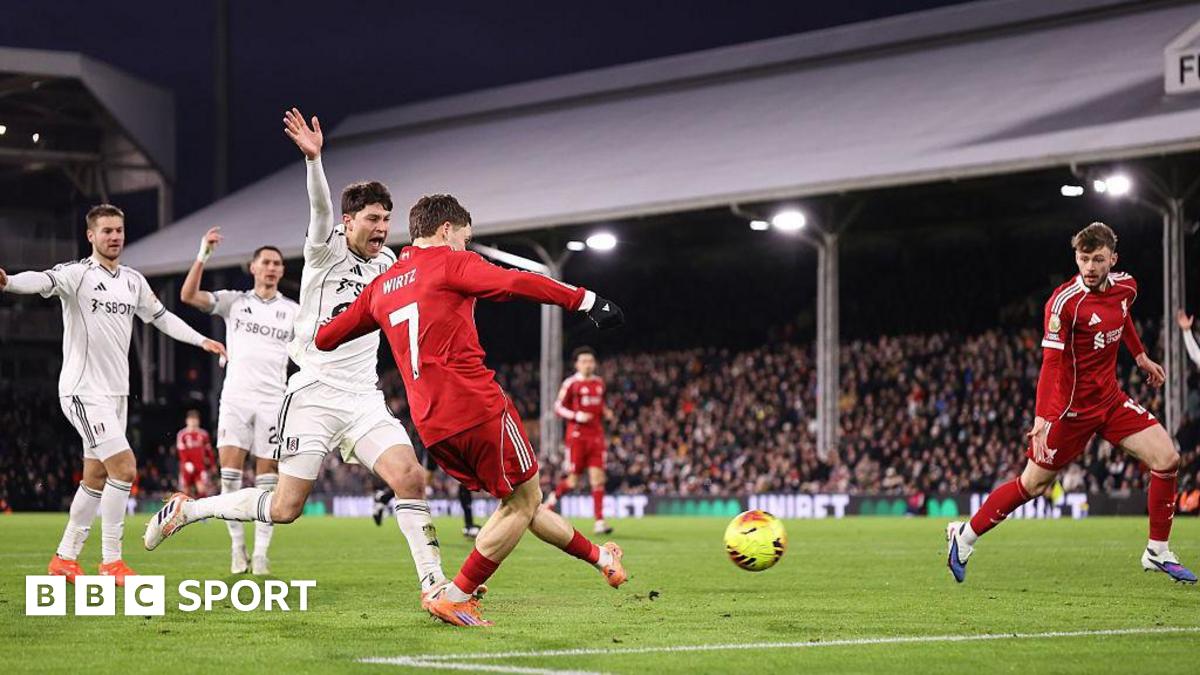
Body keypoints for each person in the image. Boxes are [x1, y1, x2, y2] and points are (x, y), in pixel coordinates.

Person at [145, 109, 447, 603]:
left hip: (363, 398)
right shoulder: (325, 250)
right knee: (286, 507)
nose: (381, 228)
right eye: (373, 218)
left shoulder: (390, 263)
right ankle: (190, 511)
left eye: (387, 220)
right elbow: (321, 209)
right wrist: (314, 162)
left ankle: (435, 585)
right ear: (350, 221)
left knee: (411, 476)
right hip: (312, 393)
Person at [314, 193, 628, 626]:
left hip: (431, 425)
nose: (466, 245)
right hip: (476, 406)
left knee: (523, 501)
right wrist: (586, 300)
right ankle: (455, 595)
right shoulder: (449, 262)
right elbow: (516, 283)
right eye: (465, 237)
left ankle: (601, 559)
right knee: (521, 502)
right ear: (446, 230)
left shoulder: (381, 286)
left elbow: (326, 337)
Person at [946, 222, 1194, 584]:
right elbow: (1049, 363)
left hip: (1110, 402)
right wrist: (1043, 418)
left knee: (1167, 458)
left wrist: (1139, 356)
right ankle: (964, 537)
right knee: (1032, 485)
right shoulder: (1063, 303)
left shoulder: (1127, 286)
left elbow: (1122, 317)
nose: (1090, 267)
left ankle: (1157, 550)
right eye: (1083, 259)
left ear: (1113, 259)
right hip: (1070, 411)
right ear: (1076, 259)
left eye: (1097, 259)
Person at [0, 203, 226, 586]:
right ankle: (111, 561)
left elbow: (161, 317)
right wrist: (7, 283)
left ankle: (65, 558)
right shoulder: (77, 274)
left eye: (119, 230)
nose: (115, 236)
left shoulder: (133, 281)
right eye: (106, 231)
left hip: (116, 393)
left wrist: (201, 339)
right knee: (124, 468)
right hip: (82, 389)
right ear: (91, 235)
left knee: (96, 476)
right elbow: (40, 281)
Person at [180, 231, 299, 574]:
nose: (272, 268)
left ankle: (261, 553)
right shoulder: (235, 302)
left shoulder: (292, 311)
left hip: (273, 401)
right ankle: (237, 547)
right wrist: (203, 253)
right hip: (236, 398)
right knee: (229, 477)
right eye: (266, 262)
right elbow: (187, 296)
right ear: (253, 267)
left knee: (268, 480)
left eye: (277, 264)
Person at [545, 346, 613, 534]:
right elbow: (558, 408)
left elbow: (600, 405)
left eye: (590, 361)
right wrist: (577, 416)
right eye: (583, 361)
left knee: (598, 479)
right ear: (576, 364)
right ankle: (550, 502)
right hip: (577, 438)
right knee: (573, 481)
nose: (587, 364)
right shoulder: (571, 383)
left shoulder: (599, 383)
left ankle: (599, 521)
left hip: (596, 437)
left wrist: (606, 412)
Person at [176, 410, 214, 498]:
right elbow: (181, 451)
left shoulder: (203, 434)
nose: (193, 422)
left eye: (195, 420)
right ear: (187, 421)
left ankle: (202, 509)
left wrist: (212, 464)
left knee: (202, 489)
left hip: (200, 466)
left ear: (198, 421)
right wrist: (186, 462)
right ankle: (184, 510)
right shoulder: (182, 434)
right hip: (186, 467)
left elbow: (209, 451)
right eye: (191, 420)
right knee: (185, 490)